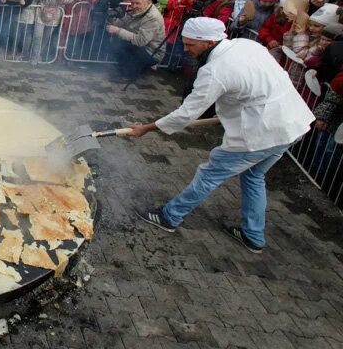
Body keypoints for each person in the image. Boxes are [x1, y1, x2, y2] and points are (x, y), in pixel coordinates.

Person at [133, 17, 314, 253]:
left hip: (263, 133)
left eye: (190, 45)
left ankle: (170, 216)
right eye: (185, 44)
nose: (186, 50)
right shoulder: (247, 44)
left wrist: (147, 128)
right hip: (292, 123)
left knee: (209, 174)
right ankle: (253, 236)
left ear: (208, 42)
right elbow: (259, 84)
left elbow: (186, 114)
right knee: (253, 176)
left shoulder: (214, 70)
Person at [105, 0, 166, 82]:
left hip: (151, 52)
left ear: (148, 2)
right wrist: (114, 22)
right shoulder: (138, 10)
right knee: (113, 45)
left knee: (121, 46)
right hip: (141, 48)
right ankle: (129, 69)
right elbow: (124, 22)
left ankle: (129, 75)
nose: (134, 6)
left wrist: (118, 30)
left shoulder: (152, 17)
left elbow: (141, 41)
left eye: (138, 3)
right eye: (132, 3)